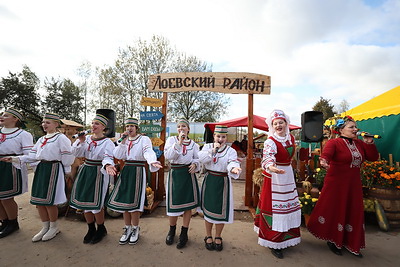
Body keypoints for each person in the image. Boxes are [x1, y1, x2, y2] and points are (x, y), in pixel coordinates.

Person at [307, 115, 379, 258]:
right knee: (336, 210)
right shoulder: (334, 143)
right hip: (336, 184)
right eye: (351, 127)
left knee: (353, 210)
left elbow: (373, 157)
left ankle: (351, 242)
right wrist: (324, 161)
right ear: (341, 130)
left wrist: (369, 143)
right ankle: (333, 240)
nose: (355, 129)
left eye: (355, 127)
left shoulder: (359, 143)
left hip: (353, 184)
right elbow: (326, 155)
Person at [4, 112, 74, 242]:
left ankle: (54, 227)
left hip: (54, 169)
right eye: (43, 122)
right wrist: (14, 158)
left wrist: (66, 171)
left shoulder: (61, 138)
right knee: (39, 201)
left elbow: (67, 156)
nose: (44, 125)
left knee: (49, 201)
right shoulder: (42, 139)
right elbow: (32, 155)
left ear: (56, 124)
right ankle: (45, 226)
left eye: (47, 122)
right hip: (42, 169)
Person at [254, 109, 301, 259]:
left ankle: (287, 236)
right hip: (275, 178)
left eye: (281, 122)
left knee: (288, 205)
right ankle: (273, 240)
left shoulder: (291, 138)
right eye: (275, 123)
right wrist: (271, 166)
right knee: (275, 208)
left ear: (286, 123)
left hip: (287, 175)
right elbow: (267, 155)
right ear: (272, 126)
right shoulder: (270, 141)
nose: (278, 125)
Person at [106, 118, 161, 245]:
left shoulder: (143, 139)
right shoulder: (124, 140)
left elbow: (147, 151)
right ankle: (127, 228)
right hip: (127, 170)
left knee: (135, 202)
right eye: (127, 126)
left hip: (138, 170)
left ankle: (135, 228)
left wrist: (152, 160)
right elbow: (118, 155)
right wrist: (123, 142)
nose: (129, 128)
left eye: (132, 126)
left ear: (137, 128)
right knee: (125, 201)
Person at [70, 114, 117, 244]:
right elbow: (77, 153)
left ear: (103, 127)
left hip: (99, 171)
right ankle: (90, 228)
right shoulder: (87, 139)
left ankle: (101, 228)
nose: (93, 126)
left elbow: (108, 157)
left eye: (97, 124)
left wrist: (107, 165)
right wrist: (81, 141)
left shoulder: (107, 142)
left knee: (97, 203)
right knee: (85, 202)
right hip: (86, 170)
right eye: (92, 123)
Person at [198, 125, 241, 252]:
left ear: (226, 137)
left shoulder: (230, 151)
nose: (220, 139)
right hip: (210, 180)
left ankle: (218, 236)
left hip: (223, 182)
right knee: (208, 210)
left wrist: (234, 168)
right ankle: (208, 235)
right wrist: (213, 151)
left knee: (220, 212)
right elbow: (202, 159)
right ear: (214, 136)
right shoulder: (207, 147)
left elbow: (232, 162)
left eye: (223, 137)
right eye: (218, 136)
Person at [164, 118, 200, 249]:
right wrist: (179, 142)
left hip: (187, 176)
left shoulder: (194, 144)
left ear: (188, 129)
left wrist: (195, 164)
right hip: (175, 175)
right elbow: (169, 156)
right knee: (173, 206)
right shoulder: (171, 140)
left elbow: (197, 158)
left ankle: (184, 233)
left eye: (184, 126)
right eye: (179, 126)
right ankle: (172, 231)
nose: (181, 128)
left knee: (187, 206)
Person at [0, 108, 34, 238]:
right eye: (2, 114)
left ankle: (13, 223)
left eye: (6, 115)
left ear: (15, 119)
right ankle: (5, 222)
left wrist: (15, 159)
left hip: (11, 166)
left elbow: (29, 154)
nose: (2, 116)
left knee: (6, 197)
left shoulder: (23, 134)